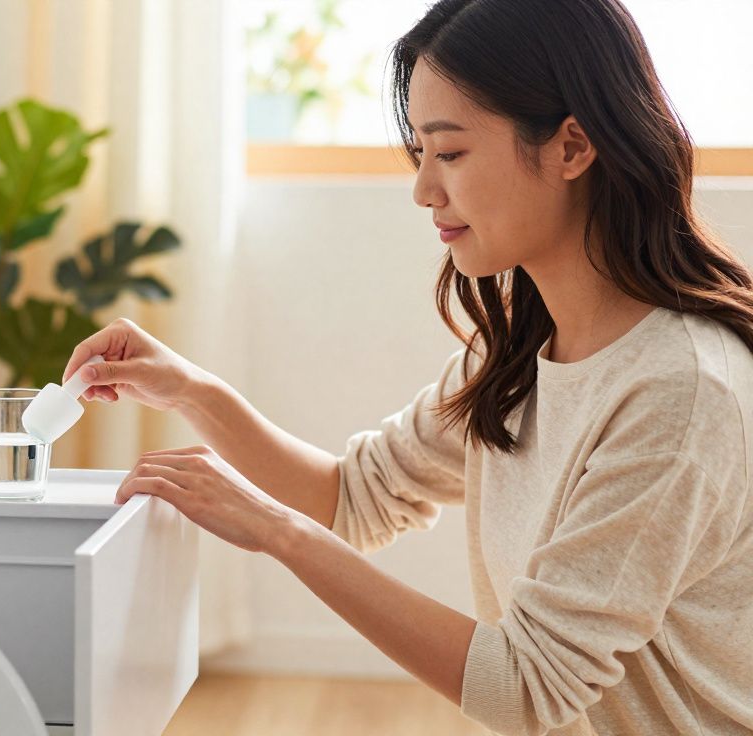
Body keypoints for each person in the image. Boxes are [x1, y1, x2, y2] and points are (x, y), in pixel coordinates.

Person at [60, 1, 753, 734]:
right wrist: (189, 390)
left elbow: (525, 685)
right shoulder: (520, 349)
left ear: (572, 148)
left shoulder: (679, 393)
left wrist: (274, 532)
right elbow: (351, 498)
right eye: (419, 153)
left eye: (449, 153)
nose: (423, 189)